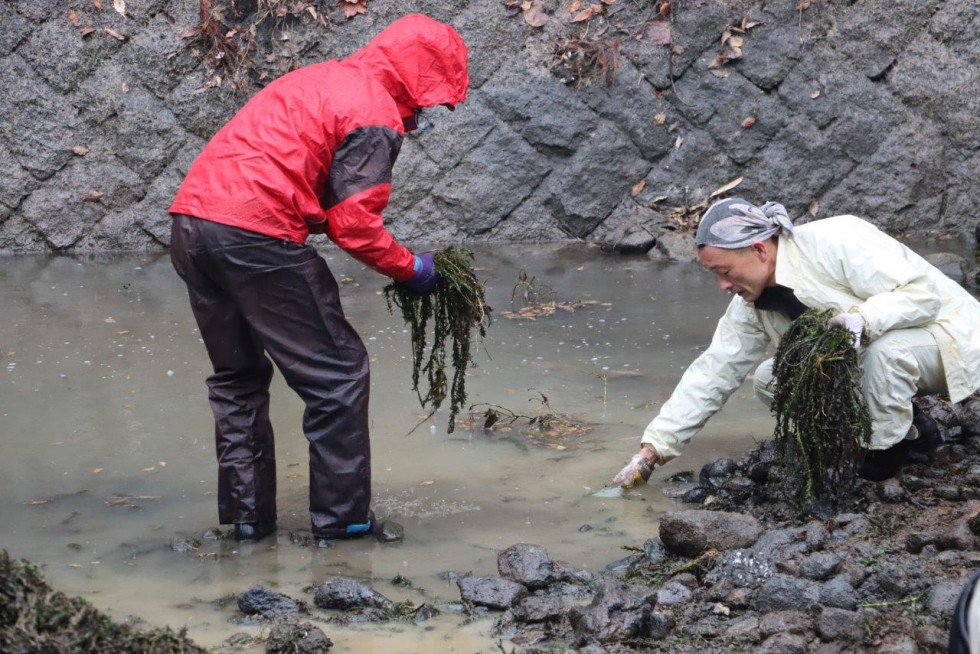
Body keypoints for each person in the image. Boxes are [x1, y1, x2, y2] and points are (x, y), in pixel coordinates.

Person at [168, 14, 468, 546]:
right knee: (338, 377)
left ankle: (248, 522)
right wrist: (411, 268)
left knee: (237, 379)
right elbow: (353, 225)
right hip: (256, 236)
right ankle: (343, 524)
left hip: (192, 226)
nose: (423, 110)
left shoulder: (320, 78)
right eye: (428, 98)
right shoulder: (374, 111)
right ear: (418, 77)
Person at [613, 198, 980, 487]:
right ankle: (915, 432)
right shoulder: (750, 303)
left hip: (951, 336)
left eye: (724, 272)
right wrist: (651, 453)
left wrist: (863, 319)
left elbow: (923, 294)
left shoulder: (837, 239)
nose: (723, 286)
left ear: (759, 250)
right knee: (773, 377)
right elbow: (714, 372)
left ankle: (886, 452)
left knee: (883, 352)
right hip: (885, 356)